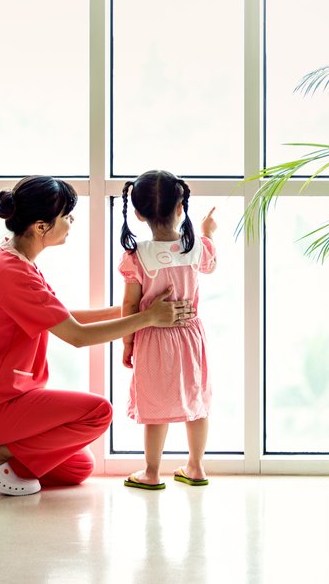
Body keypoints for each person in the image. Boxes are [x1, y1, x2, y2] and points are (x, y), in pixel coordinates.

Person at [0, 175, 196, 496]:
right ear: (41, 226)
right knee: (99, 413)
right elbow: (78, 335)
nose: (71, 224)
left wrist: (132, 308)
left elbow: (63, 318)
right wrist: (147, 318)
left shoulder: (15, 257)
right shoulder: (12, 274)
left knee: (78, 467)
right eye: (67, 217)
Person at [118, 170, 217, 490]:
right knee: (196, 400)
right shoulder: (198, 246)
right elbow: (211, 264)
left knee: (155, 406)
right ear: (180, 208)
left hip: (152, 336)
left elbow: (130, 306)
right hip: (189, 335)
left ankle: (151, 471)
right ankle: (196, 466)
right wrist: (207, 232)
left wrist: (127, 344)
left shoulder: (136, 256)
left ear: (138, 213)